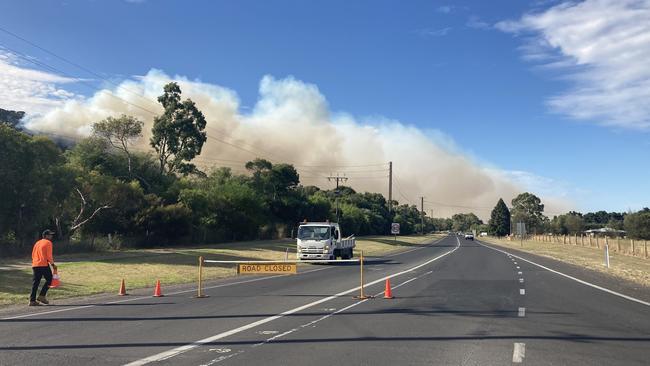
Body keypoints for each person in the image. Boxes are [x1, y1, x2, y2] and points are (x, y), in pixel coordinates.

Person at [29, 229, 57, 306]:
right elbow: (49, 255)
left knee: (35, 283)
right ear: (45, 236)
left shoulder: (37, 243)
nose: (51, 236)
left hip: (35, 264)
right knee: (50, 280)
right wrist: (52, 264)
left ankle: (32, 300)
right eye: (50, 235)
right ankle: (42, 296)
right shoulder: (48, 243)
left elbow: (32, 254)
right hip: (43, 264)